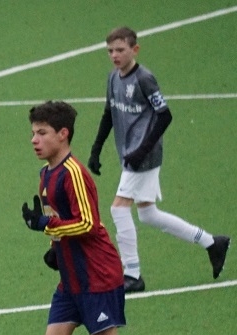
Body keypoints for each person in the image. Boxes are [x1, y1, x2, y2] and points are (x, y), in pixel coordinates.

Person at [20, 100, 166, 335]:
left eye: (42, 133)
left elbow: (87, 222)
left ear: (63, 134)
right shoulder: (46, 175)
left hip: (96, 274)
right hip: (72, 277)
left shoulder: (73, 173)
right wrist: (53, 244)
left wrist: (49, 225)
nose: (34, 140)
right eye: (33, 133)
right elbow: (59, 217)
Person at [88, 27, 229, 293]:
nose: (115, 55)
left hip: (144, 155)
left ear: (135, 49)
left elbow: (165, 115)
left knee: (119, 209)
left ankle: (132, 274)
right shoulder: (113, 78)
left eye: (120, 50)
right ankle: (212, 242)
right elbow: (109, 113)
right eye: (110, 51)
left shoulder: (144, 78)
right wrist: (96, 149)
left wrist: (142, 150)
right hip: (130, 154)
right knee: (148, 214)